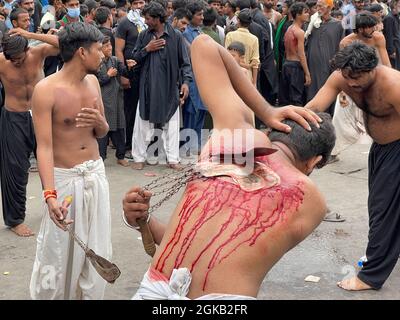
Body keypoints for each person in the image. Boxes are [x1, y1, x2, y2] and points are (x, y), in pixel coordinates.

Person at [122, 34, 333, 300]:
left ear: (274, 130)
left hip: (155, 290)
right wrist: (144, 221)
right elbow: (213, 251)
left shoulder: (235, 133)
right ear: (315, 162)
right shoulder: (312, 201)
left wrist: (265, 110)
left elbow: (203, 45)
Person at [305, 42, 400, 291]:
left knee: (383, 211)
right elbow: (315, 107)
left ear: (372, 69)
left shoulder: (393, 85)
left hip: (397, 151)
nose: (353, 83)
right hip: (380, 150)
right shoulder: (342, 78)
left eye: (358, 77)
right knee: (381, 206)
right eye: (348, 77)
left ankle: (370, 277)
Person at [29, 22, 112, 300]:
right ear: (81, 52)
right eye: (99, 50)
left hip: (95, 175)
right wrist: (50, 195)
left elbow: (101, 132)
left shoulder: (92, 82)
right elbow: (44, 147)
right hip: (64, 183)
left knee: (97, 248)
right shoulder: (45, 90)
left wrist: (102, 122)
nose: (103, 55)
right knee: (57, 254)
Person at [0, 28, 59, 237]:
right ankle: (15, 220)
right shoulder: (1, 61)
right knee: (14, 169)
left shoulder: (37, 52)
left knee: (52, 162)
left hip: (40, 114)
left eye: (19, 58)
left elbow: (64, 43)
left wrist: (31, 35)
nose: (16, 62)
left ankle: (55, 205)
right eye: (12, 59)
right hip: (14, 116)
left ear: (27, 48)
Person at [131, 2, 191, 170]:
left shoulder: (176, 36)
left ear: (157, 19)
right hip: (147, 88)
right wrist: (147, 49)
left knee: (171, 125)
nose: (145, 21)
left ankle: (173, 159)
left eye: (148, 18)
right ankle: (139, 157)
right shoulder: (144, 36)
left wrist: (186, 83)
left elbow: (185, 63)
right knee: (142, 124)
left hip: (169, 88)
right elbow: (134, 59)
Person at [329, 12, 389, 162]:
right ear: (360, 28)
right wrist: (342, 91)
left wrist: (389, 83)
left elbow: (386, 63)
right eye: (369, 27)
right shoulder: (346, 42)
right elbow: (342, 69)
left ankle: (385, 148)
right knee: (339, 116)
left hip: (374, 81)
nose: (373, 30)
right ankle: (333, 152)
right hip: (352, 83)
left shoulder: (378, 38)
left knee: (378, 116)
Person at [96, 36, 136, 167]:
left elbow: (125, 72)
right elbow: (96, 80)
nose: (109, 48)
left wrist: (130, 67)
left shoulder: (115, 60)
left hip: (117, 100)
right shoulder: (96, 62)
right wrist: (108, 75)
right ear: (100, 48)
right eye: (106, 46)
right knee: (103, 131)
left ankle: (120, 156)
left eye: (110, 45)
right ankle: (100, 158)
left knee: (119, 128)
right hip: (104, 101)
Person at [305, 0, 344, 116]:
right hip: (312, 67)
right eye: (317, 6)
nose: (318, 8)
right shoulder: (313, 23)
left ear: (329, 8)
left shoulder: (338, 25)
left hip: (329, 67)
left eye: (321, 6)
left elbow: (340, 47)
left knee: (328, 94)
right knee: (313, 94)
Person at [279, 2, 310, 106]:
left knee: (285, 100)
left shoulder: (289, 29)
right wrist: (307, 73)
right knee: (296, 100)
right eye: (305, 12)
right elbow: (301, 55)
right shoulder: (299, 32)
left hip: (286, 65)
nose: (308, 14)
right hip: (295, 68)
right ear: (297, 15)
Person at [225, 8, 259, 86]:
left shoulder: (230, 35)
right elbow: (255, 63)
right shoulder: (254, 39)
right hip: (247, 76)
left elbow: (227, 57)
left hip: (232, 74)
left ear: (238, 20)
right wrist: (254, 83)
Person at [382, 0, 400, 70]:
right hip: (394, 48)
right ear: (394, 6)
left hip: (397, 46)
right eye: (399, 5)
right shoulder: (389, 18)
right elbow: (388, 36)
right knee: (394, 68)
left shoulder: (395, 16)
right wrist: (391, 51)